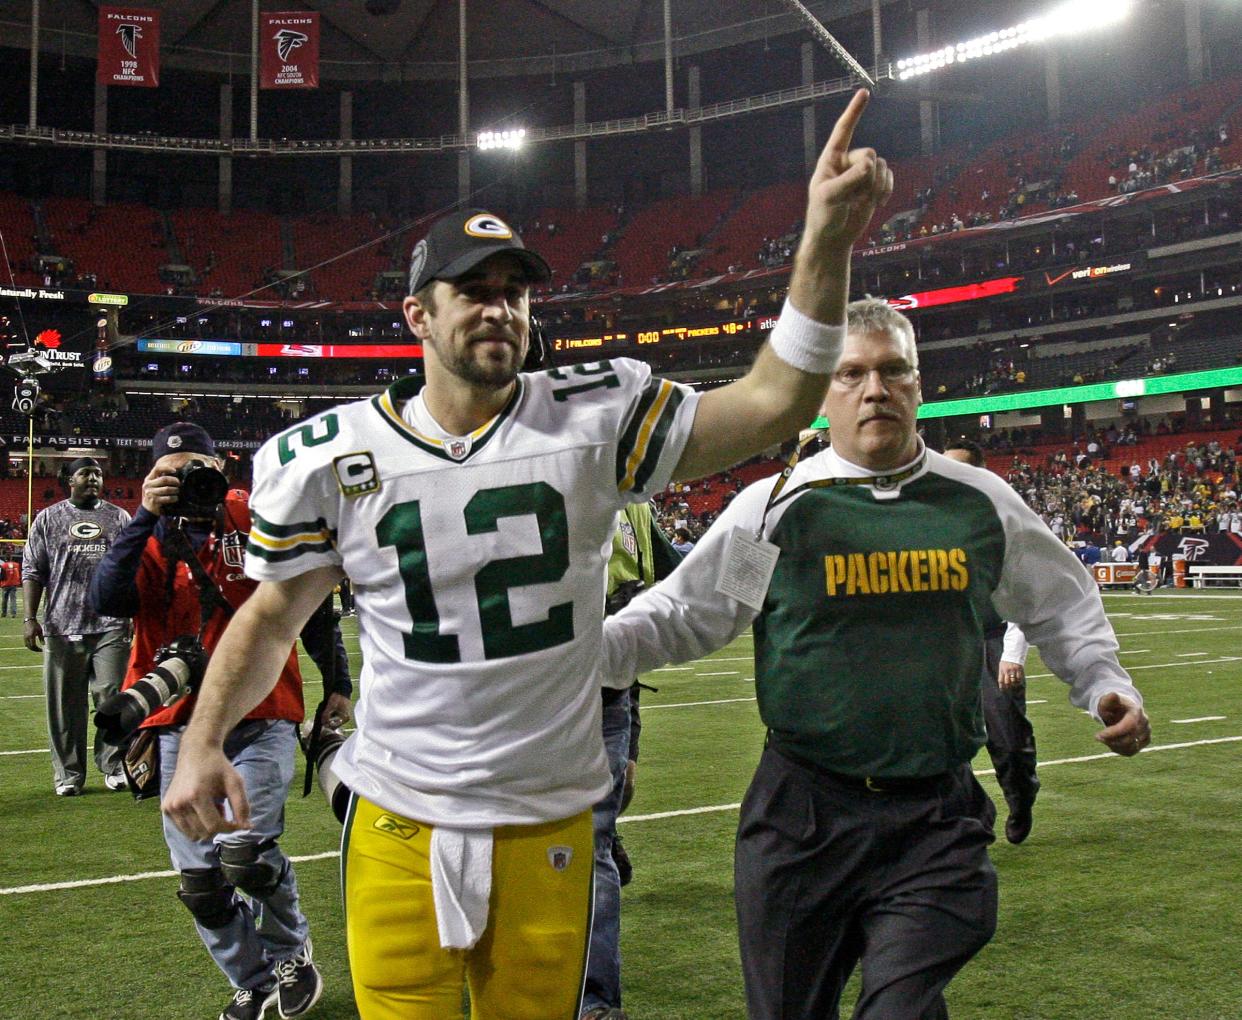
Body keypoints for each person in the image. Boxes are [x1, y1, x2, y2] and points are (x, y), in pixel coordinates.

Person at [161, 88, 893, 1020]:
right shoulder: (330, 458)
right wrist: (202, 742)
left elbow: (776, 402)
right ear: (418, 315)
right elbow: (271, 618)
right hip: (397, 814)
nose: (499, 309)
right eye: (474, 290)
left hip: (548, 812)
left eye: (515, 291)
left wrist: (826, 236)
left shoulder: (593, 414)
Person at [600, 298, 1150, 1020]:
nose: (875, 389)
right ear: (823, 393)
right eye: (851, 373)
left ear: (919, 386)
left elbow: (1061, 602)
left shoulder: (980, 503)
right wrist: (570, 660)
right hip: (802, 816)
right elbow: (689, 614)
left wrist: (1105, 684)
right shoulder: (778, 509)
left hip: (934, 816)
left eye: (894, 372)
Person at [89, 423, 349, 1020]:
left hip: (263, 708)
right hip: (178, 718)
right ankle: (252, 979)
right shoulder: (149, 536)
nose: (188, 482)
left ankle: (291, 954)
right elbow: (108, 598)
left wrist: (337, 681)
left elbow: (307, 605)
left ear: (221, 467)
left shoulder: (255, 516)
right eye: (170, 472)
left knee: (247, 854)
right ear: (153, 478)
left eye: (197, 468)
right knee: (201, 881)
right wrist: (141, 520)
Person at [583, 502, 682, 1020]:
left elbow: (676, 573)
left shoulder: (637, 507)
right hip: (531, 686)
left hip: (609, 686)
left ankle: (595, 1001)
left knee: (594, 838)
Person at [942, 440, 1040, 844]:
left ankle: (1021, 794)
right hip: (947, 643)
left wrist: (1012, 654)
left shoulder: (1006, 519)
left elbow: (1028, 591)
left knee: (1007, 736)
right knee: (942, 737)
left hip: (994, 639)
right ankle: (974, 813)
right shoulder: (928, 518)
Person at [22, 457, 131, 796]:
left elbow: (132, 570)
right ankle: (68, 774)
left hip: (110, 623)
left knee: (112, 696)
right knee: (64, 704)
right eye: (85, 472)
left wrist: (134, 615)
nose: (94, 478)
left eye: (98, 472)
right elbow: (33, 570)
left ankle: (114, 765)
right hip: (61, 625)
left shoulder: (119, 517)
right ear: (68, 479)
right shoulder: (48, 518)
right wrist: (30, 619)